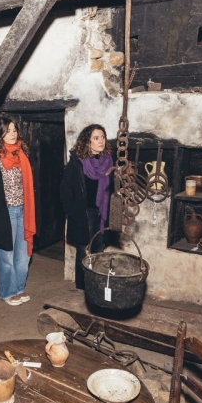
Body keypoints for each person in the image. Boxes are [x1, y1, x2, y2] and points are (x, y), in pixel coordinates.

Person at [0, 115, 36, 306]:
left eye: (14, 130)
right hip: (5, 213)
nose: (12, 134)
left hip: (23, 211)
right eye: (7, 130)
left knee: (23, 254)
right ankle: (7, 292)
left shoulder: (22, 155)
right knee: (6, 257)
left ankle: (19, 288)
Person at [60, 124, 113, 289]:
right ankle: (81, 288)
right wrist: (74, 213)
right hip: (84, 214)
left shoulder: (109, 161)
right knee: (84, 252)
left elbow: (112, 189)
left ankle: (94, 286)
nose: (101, 141)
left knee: (98, 250)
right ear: (87, 141)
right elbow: (65, 191)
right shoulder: (78, 163)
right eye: (96, 138)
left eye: (102, 137)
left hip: (102, 213)